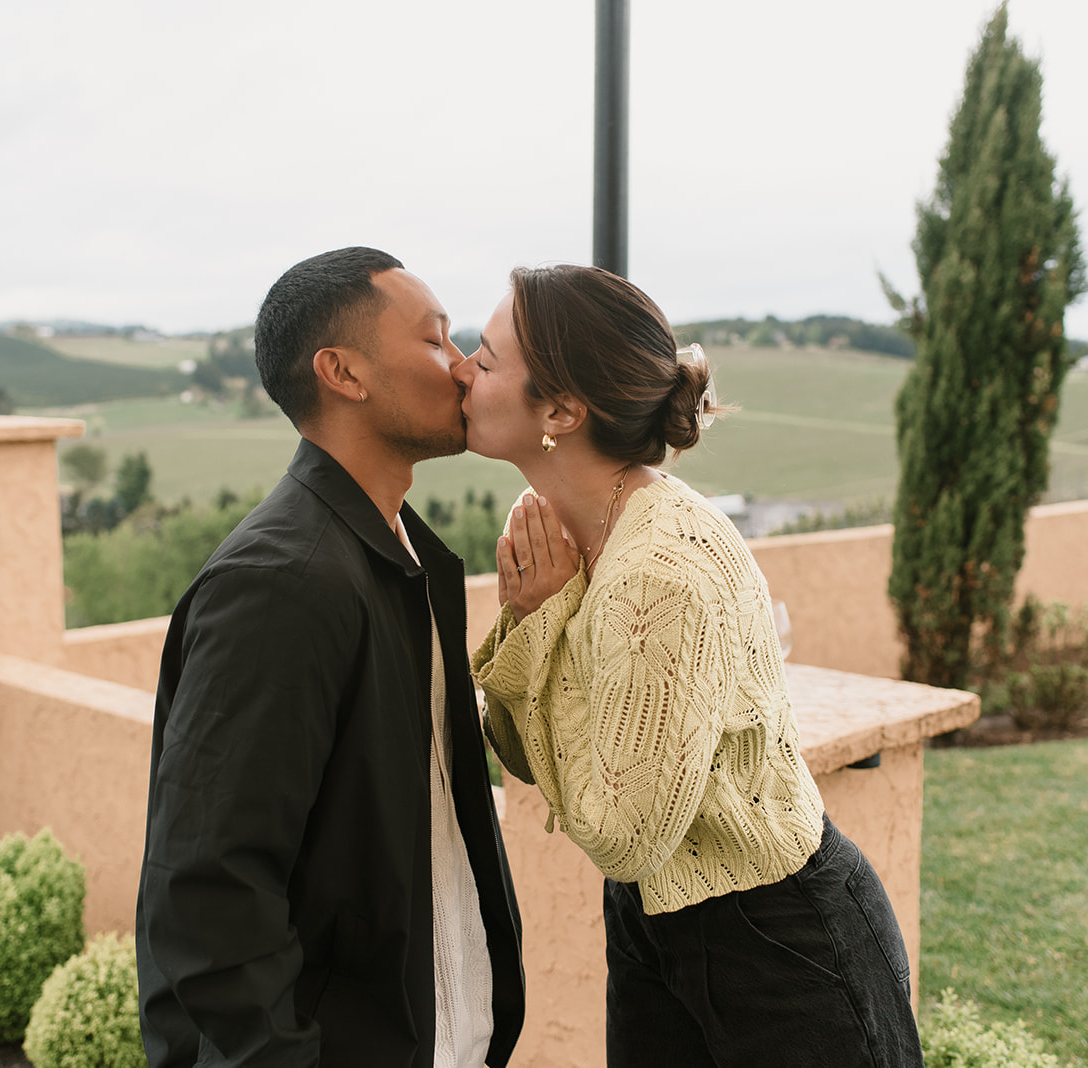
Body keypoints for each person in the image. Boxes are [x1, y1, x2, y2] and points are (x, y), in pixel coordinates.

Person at [455, 264, 922, 1067]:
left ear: (561, 411)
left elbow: (624, 833)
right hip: (656, 920)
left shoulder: (659, 571)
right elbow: (531, 757)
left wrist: (545, 616)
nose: (463, 368)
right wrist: (534, 617)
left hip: (780, 939)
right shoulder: (572, 538)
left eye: (487, 359)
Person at [137, 247, 525, 1067]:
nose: (462, 370)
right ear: (343, 372)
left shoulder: (407, 558)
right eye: (434, 341)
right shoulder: (280, 583)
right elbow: (209, 891)